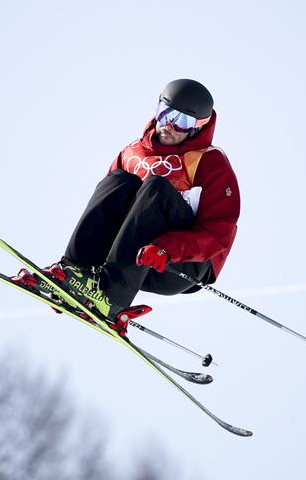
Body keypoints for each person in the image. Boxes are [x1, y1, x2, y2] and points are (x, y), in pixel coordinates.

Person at [13, 79, 240, 330]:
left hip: (176, 265)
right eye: (165, 114)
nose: (169, 125)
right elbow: (105, 209)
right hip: (128, 257)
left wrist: (167, 248)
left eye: (182, 121)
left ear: (198, 127)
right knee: (119, 181)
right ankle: (74, 274)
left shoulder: (210, 162)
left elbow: (219, 234)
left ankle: (113, 296)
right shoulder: (132, 153)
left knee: (157, 187)